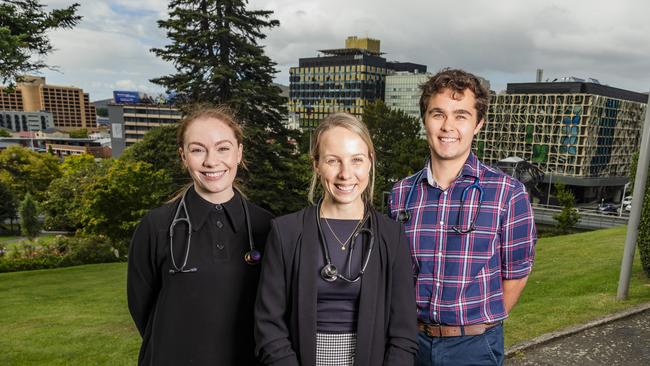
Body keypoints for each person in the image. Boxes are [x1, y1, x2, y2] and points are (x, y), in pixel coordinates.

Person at [389, 69, 536, 366]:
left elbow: (517, 274)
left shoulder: (508, 194)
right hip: (409, 342)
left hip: (475, 346)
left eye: (461, 115)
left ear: (478, 124)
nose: (448, 126)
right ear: (425, 119)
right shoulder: (401, 193)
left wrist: (479, 326)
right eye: (438, 114)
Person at [254, 113, 418, 366]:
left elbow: (403, 335)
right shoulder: (285, 232)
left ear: (370, 162)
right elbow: (269, 327)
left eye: (357, 160)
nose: (346, 173)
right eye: (333, 161)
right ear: (316, 164)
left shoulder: (392, 237)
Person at [127, 106, 273, 366]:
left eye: (223, 148)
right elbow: (142, 308)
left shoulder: (267, 227)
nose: (211, 161)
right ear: (183, 156)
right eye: (197, 150)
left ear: (239, 153)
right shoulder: (156, 226)